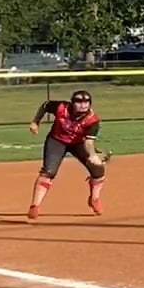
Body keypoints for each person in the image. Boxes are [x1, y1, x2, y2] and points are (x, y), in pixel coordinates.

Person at [27, 89, 106, 221]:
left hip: (78, 143)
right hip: (57, 141)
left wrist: (92, 155)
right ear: (72, 103)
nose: (83, 105)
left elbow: (88, 142)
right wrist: (36, 121)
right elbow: (45, 105)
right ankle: (35, 205)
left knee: (98, 170)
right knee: (48, 172)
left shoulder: (92, 121)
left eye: (86, 102)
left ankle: (94, 198)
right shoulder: (61, 108)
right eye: (79, 101)